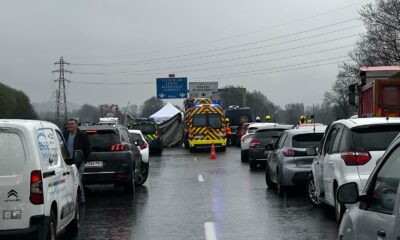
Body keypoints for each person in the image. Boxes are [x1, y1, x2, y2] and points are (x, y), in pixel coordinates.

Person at [64, 118, 92, 203]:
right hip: (68, 161)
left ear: (76, 125)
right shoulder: (65, 134)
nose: (70, 125)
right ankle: (73, 199)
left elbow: (88, 148)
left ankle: (81, 199)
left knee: (77, 179)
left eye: (72, 124)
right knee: (71, 180)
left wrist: (83, 159)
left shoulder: (82, 135)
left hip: (79, 161)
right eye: (69, 124)